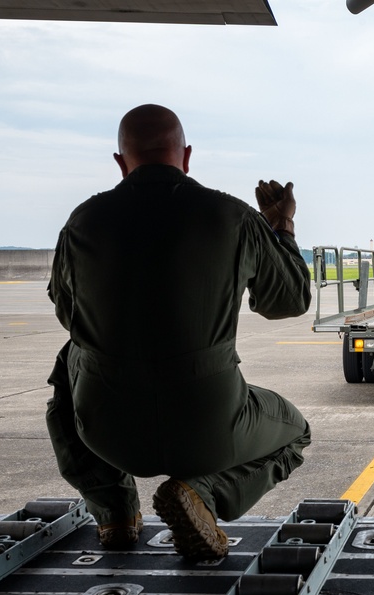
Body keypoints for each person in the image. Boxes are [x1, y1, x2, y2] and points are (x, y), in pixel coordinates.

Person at [46, 104, 312, 560]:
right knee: (296, 433)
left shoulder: (83, 221)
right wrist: (281, 227)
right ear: (186, 156)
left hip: (109, 432)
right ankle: (202, 493)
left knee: (71, 359)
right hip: (209, 428)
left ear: (120, 161)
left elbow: (67, 312)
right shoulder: (231, 216)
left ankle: (114, 512)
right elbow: (288, 301)